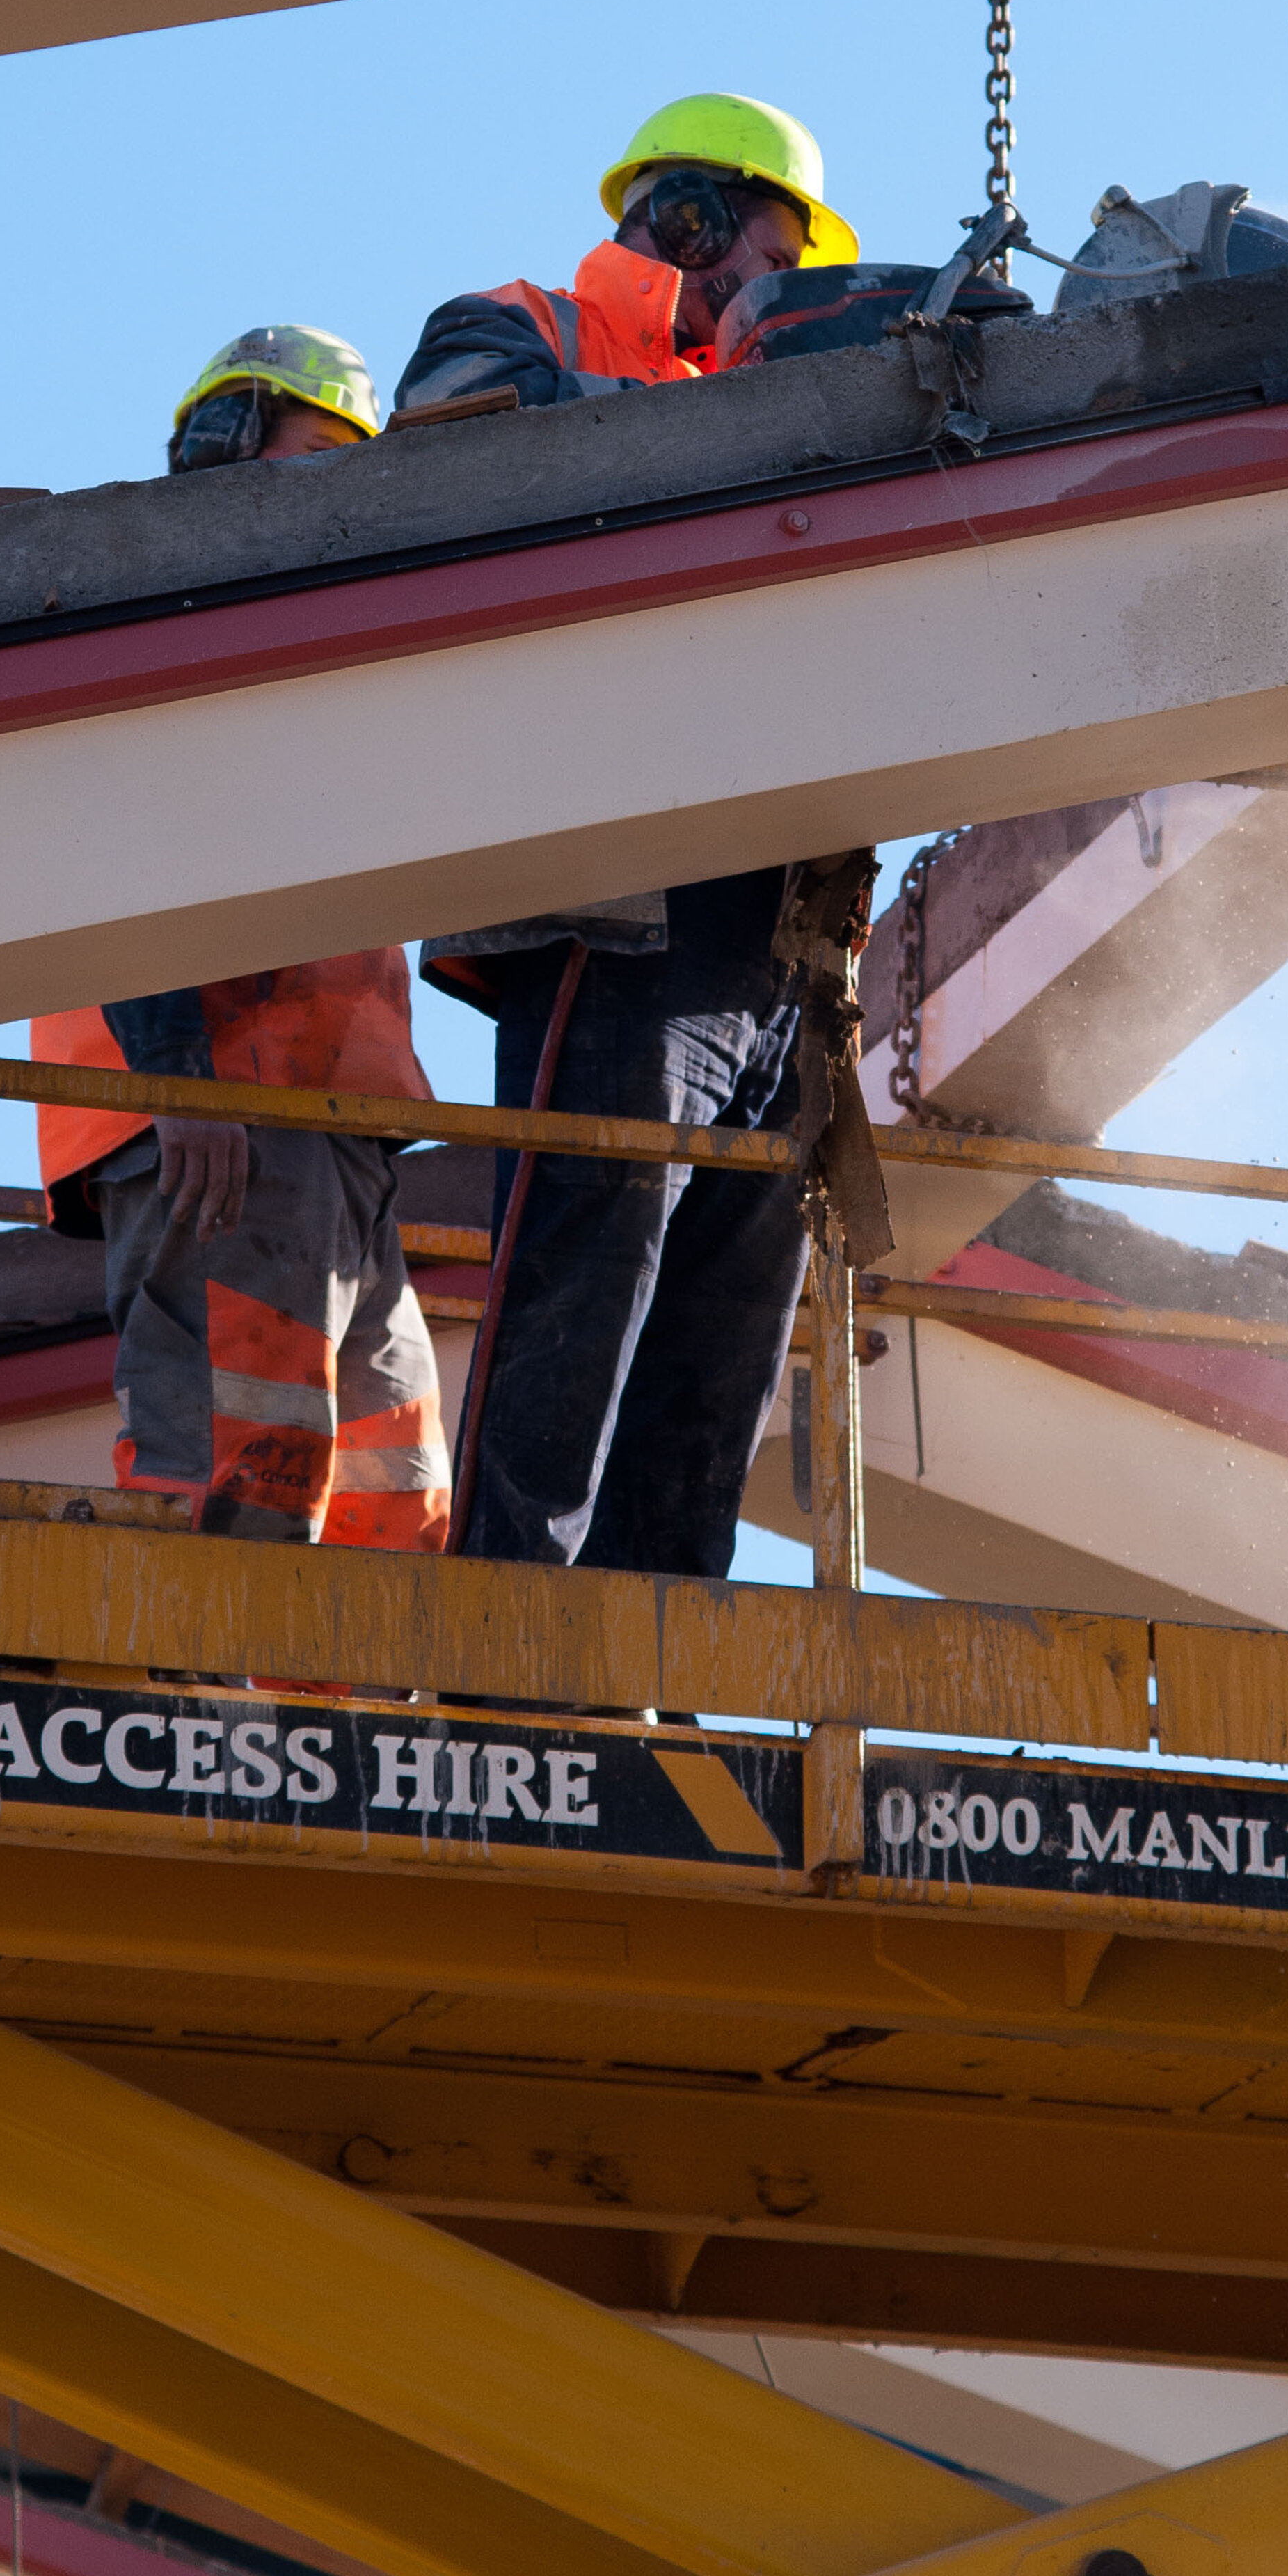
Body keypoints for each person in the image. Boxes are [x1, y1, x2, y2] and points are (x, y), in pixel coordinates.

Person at [397, 100, 867, 1578]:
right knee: (580, 1293)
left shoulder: (792, 381)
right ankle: (505, 1660)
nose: (780, 289)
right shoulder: (511, 330)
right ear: (681, 220)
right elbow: (461, 499)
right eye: (769, 252)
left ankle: (645, 1680)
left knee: (717, 1345)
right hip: (613, 917)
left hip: (770, 949)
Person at [35, 327, 449, 1552]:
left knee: (389, 1481)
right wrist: (181, 1079)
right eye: (318, 452)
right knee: (241, 1459)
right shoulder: (163, 611)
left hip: (329, 1123)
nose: (337, 494)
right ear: (228, 444)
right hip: (217, 1107)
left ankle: (360, 1731)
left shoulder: (311, 641)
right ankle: (199, 1716)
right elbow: (119, 848)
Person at [390, 88, 856, 413]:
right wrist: (710, 416)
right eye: (776, 262)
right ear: (691, 220)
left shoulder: (718, 388)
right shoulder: (516, 319)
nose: (781, 289)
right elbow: (451, 413)